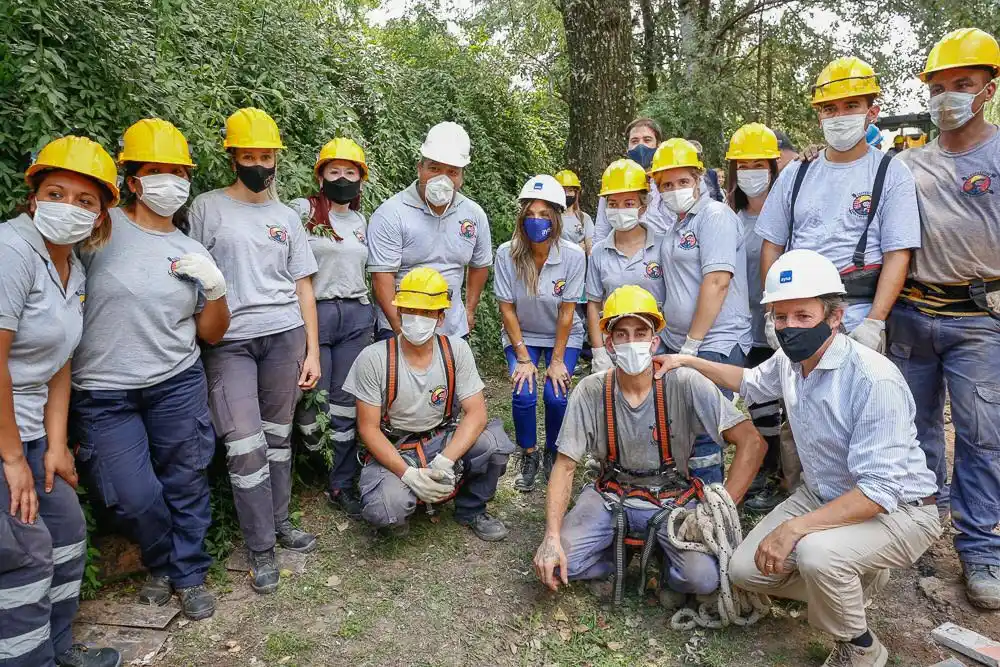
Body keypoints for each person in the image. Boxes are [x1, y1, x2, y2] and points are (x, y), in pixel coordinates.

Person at [660, 249, 941, 667]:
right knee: (745, 570)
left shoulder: (872, 379)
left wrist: (795, 529)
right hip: (826, 494)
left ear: (834, 317)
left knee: (815, 555)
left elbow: (878, 492)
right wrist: (686, 361)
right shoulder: (792, 362)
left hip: (900, 510)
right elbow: (749, 381)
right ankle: (852, 578)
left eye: (802, 316)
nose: (789, 327)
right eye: (780, 317)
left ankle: (861, 648)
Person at [69, 119, 229, 621]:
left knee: (186, 478)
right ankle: (162, 559)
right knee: (130, 495)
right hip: (103, 390)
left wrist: (216, 290)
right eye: (157, 170)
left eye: (179, 172)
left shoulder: (191, 250)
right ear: (133, 179)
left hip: (175, 382)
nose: (170, 182)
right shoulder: (98, 230)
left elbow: (211, 333)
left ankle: (188, 573)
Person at [532, 286, 765, 606]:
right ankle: (615, 558)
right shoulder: (591, 390)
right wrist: (551, 537)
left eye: (640, 333)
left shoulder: (685, 382)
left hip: (673, 498)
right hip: (611, 494)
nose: (632, 342)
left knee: (703, 578)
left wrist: (717, 511)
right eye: (622, 334)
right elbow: (565, 464)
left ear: (655, 341)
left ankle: (664, 563)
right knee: (560, 563)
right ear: (609, 343)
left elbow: (752, 442)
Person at [887, 27, 1000, 610]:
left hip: (979, 318)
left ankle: (981, 550)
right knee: (915, 427)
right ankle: (921, 526)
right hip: (911, 312)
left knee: (982, 436)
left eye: (962, 83)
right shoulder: (907, 164)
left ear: (988, 89)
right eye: (937, 87)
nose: (947, 96)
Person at [188, 107, 320, 595]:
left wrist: (313, 351)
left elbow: (303, 285)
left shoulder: (286, 217)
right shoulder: (207, 209)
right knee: (244, 444)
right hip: (230, 342)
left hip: (285, 335)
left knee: (278, 437)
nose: (259, 165)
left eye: (266, 157)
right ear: (233, 158)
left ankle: (280, 522)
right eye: (249, 156)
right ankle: (260, 546)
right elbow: (191, 276)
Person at [1, 136, 121, 666]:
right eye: (56, 193)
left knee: (68, 532)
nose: (68, 206)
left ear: (99, 216)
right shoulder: (11, 252)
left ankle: (60, 648)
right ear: (34, 198)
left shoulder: (72, 267)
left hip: (31, 430)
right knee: (23, 558)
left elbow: (60, 362)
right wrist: (12, 459)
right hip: (5, 437)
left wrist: (54, 445)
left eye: (84, 200)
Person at [756, 56, 921, 352]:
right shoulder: (797, 172)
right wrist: (773, 312)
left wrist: (874, 322)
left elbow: (897, 254)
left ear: (872, 112)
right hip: (798, 312)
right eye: (830, 108)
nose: (839, 116)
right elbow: (772, 244)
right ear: (820, 116)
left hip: (856, 313)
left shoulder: (891, 173)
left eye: (851, 105)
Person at [344, 267, 514, 540]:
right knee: (385, 510)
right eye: (411, 310)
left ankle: (471, 509)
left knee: (493, 445)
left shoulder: (455, 351)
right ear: (399, 311)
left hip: (440, 436)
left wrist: (446, 460)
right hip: (395, 446)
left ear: (440, 316)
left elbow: (476, 413)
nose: (417, 319)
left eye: (426, 312)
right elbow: (368, 429)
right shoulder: (374, 358)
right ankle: (405, 500)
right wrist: (408, 474)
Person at [651, 137, 753, 485]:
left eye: (682, 181)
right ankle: (681, 487)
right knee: (675, 418)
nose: (675, 189)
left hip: (714, 342)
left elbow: (718, 281)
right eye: (666, 184)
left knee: (705, 426)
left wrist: (691, 346)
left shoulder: (714, 216)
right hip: (678, 340)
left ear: (698, 179)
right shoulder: (677, 224)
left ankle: (708, 497)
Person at [288, 138, 375, 518]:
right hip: (316, 315)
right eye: (334, 171)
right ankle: (310, 464)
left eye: (350, 172)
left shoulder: (361, 222)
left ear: (360, 179)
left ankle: (341, 481)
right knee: (312, 404)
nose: (342, 178)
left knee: (345, 404)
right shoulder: (302, 212)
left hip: (355, 316)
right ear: (320, 176)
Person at [495, 176, 585, 491]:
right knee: (523, 393)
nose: (537, 221)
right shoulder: (507, 254)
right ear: (521, 217)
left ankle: (553, 452)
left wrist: (557, 361)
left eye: (544, 215)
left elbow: (567, 312)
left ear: (556, 218)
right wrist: (522, 357)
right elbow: (507, 308)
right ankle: (529, 453)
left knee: (556, 396)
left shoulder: (573, 255)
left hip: (562, 334)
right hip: (523, 333)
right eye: (530, 214)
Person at [367, 122, 492, 340]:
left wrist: (469, 311)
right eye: (434, 169)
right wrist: (401, 332)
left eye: (452, 172)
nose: (442, 179)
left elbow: (480, 265)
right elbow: (382, 277)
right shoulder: (391, 213)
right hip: (399, 328)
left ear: (462, 176)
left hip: (452, 330)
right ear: (420, 168)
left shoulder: (473, 215)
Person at [724, 122, 787, 513]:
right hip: (741, 326)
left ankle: (780, 473)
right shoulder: (728, 215)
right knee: (757, 400)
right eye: (742, 165)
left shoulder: (788, 212)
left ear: (772, 167)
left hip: (777, 324)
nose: (750, 172)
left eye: (758, 164)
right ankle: (761, 472)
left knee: (783, 403)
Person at [587, 159, 667, 375]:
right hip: (616, 347)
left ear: (643, 206)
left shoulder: (663, 246)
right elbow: (593, 304)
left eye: (629, 203)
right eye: (613, 204)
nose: (620, 209)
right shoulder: (599, 252)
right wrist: (598, 352)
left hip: (657, 348)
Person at [593, 118, 667, 241]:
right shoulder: (613, 180)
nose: (640, 146)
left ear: (658, 145)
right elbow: (602, 230)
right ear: (627, 147)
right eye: (634, 141)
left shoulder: (668, 182)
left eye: (647, 140)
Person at [554, 169, 593, 254]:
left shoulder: (584, 218)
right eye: (563, 190)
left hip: (579, 262)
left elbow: (590, 248)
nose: (566, 194)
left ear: (576, 193)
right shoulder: (551, 217)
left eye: (570, 190)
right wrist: (576, 247)